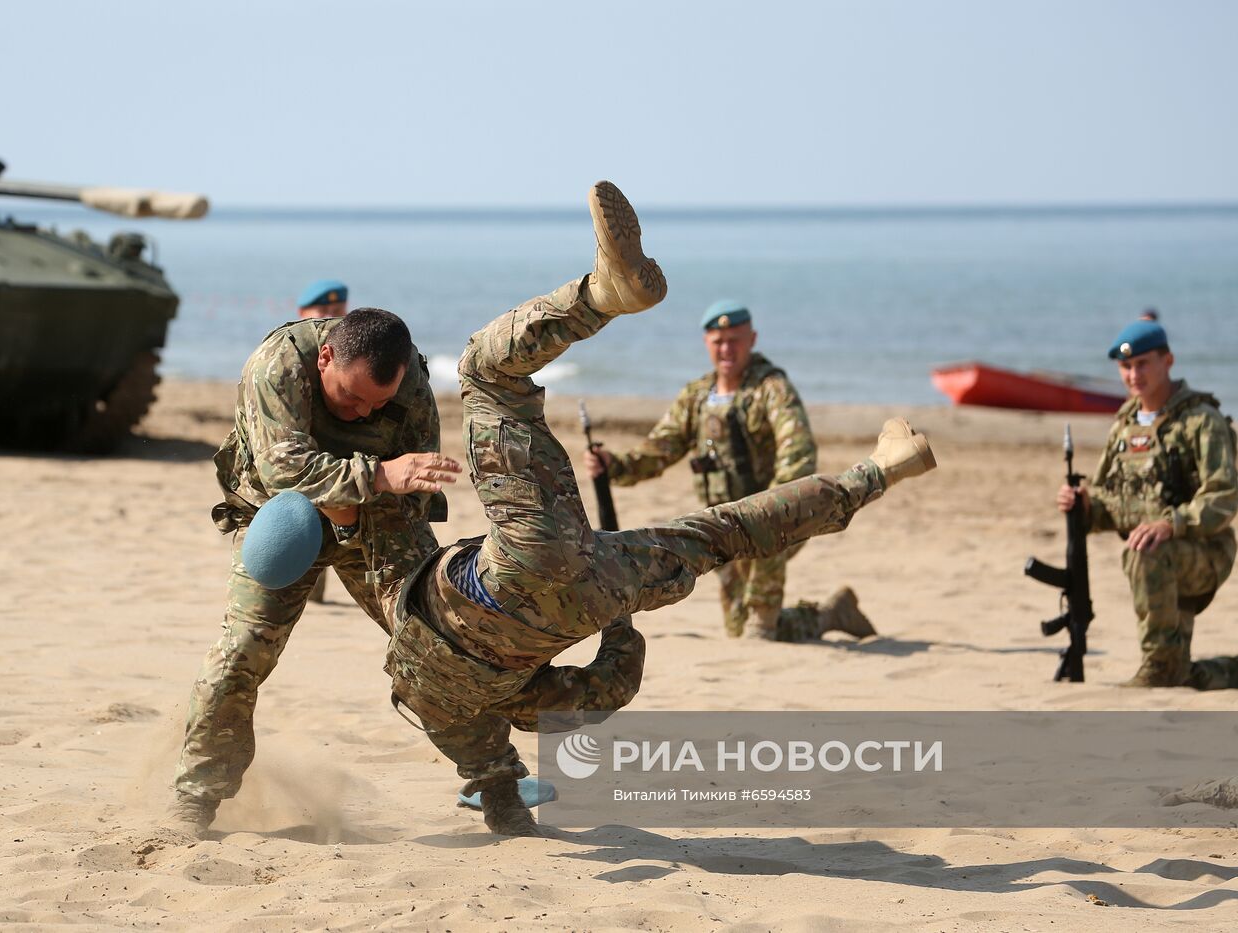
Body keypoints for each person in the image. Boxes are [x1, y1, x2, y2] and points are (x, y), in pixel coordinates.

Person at [383, 181, 937, 835]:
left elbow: (609, 689)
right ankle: (600, 294)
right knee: (483, 370)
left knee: (724, 531)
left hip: (594, 590)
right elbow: (387, 554)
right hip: (516, 560)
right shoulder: (418, 672)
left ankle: (881, 470)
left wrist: (616, 615)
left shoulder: (526, 710)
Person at [164, 306, 462, 835]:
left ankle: (498, 782)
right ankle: (195, 797)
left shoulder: (409, 378)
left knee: (437, 645)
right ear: (325, 358)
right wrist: (376, 477)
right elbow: (283, 467)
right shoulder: (277, 365)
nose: (360, 414)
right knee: (240, 655)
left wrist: (362, 516)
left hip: (375, 518)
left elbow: (416, 481)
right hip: (283, 516)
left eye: (378, 404)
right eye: (349, 398)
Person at [583, 300, 874, 642]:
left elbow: (798, 453)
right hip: (722, 529)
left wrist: (777, 507)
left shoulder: (771, 390)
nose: (727, 349)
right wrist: (614, 466)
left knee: (759, 630)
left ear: (752, 339)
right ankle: (830, 615)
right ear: (707, 343)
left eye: (735, 339)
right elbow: (660, 450)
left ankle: (769, 622)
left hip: (772, 524)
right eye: (718, 341)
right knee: (739, 629)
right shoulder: (697, 398)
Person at [1056, 319, 1237, 687]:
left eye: (1143, 363)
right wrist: (1084, 505)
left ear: (1167, 361)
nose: (1133, 374)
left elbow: (1224, 496)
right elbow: (1112, 499)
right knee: (1181, 674)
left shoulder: (1201, 421)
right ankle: (1208, 670)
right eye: (1125, 366)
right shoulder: (1124, 425)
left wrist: (1173, 524)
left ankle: (1156, 667)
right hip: (1155, 552)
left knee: (1145, 553)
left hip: (1204, 552)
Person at [296, 278, 350, 602]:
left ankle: (316, 594)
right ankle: (309, 593)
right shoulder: (288, 356)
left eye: (338, 310)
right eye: (323, 311)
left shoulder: (349, 356)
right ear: (303, 313)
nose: (331, 316)